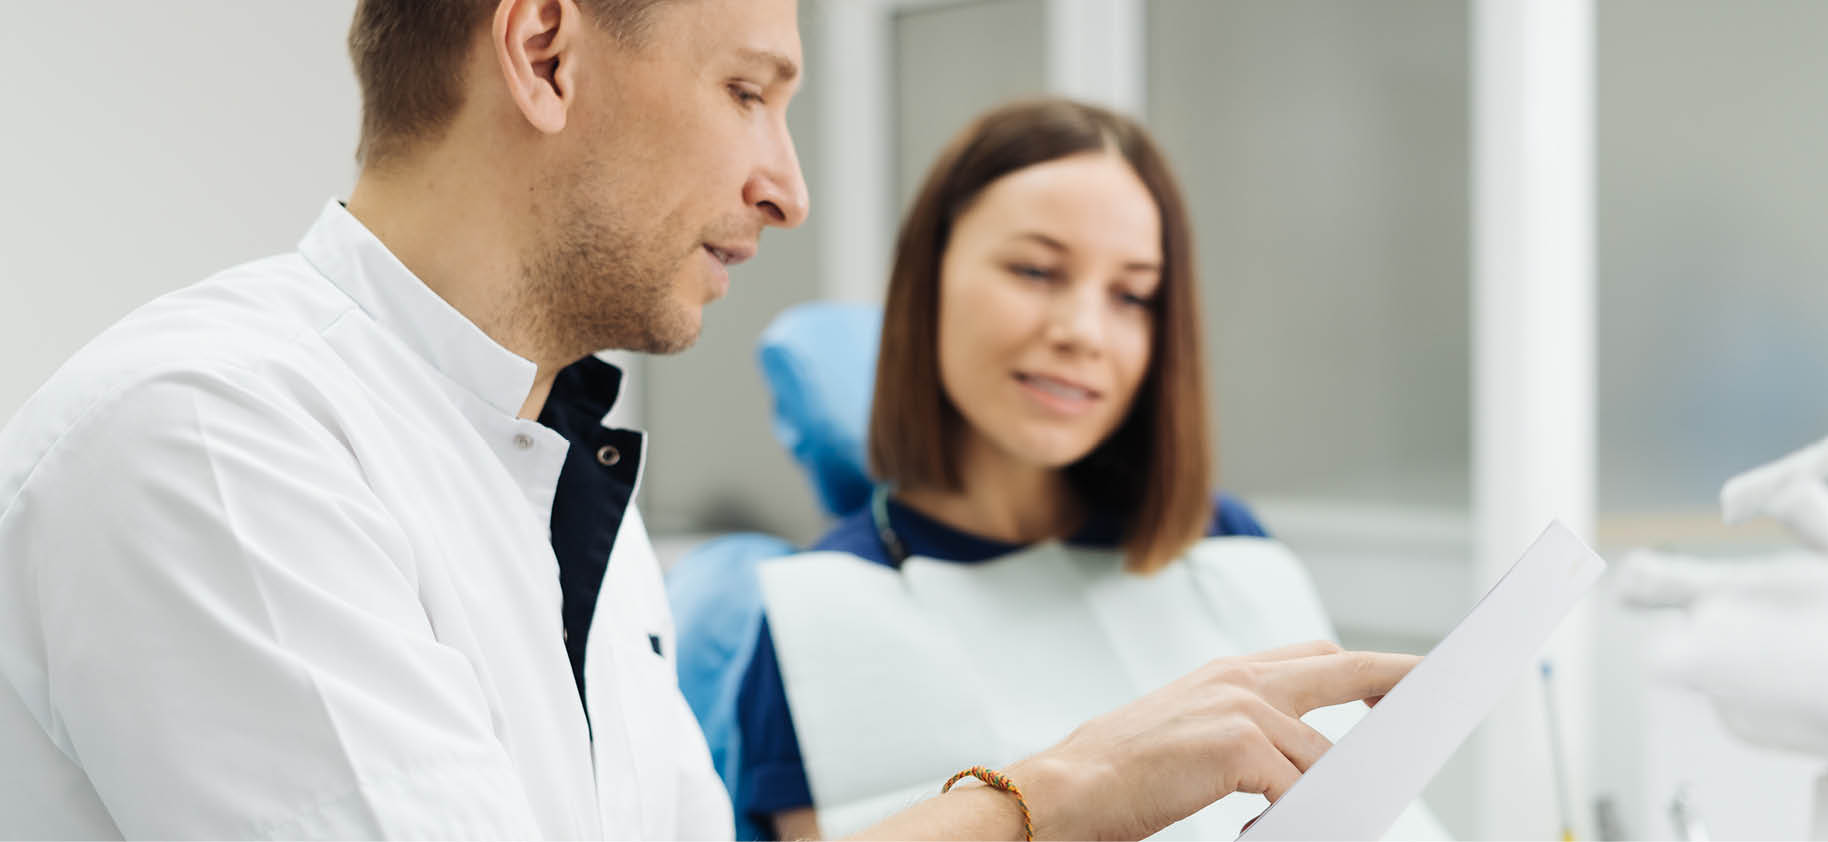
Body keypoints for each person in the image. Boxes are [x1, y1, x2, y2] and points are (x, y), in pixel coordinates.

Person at [0, 1, 1417, 839]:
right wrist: (1052, 795)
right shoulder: (216, 439)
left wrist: (1076, 789)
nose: (789, 189)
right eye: (749, 93)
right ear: (545, 49)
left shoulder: (553, 469)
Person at [724, 100, 1444, 841]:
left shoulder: (1227, 544)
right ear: (927, 280)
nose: (1083, 333)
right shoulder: (817, 618)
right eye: (1036, 270)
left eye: (1132, 295)